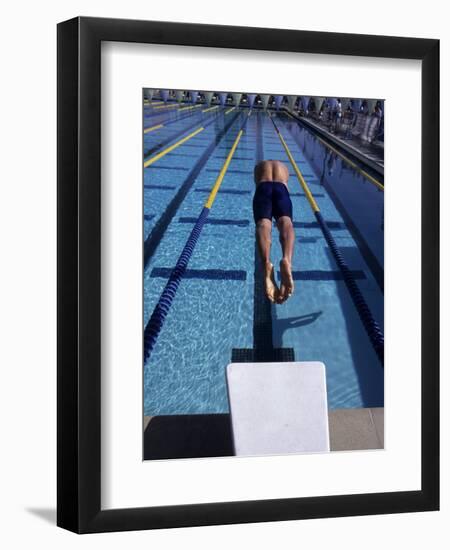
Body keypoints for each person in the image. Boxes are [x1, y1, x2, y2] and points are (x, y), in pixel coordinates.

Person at [252, 160, 295, 304]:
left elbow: (258, 182)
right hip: (281, 189)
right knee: (285, 222)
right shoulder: (284, 167)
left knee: (263, 223)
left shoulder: (259, 167)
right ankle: (287, 260)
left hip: (263, 188)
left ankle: (266, 263)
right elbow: (286, 186)